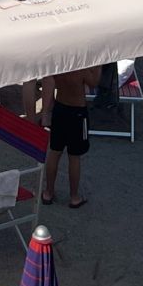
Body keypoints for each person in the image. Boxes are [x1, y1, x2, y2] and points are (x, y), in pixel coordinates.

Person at [42, 66, 100, 209]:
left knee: (54, 152)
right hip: (77, 113)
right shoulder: (81, 66)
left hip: (60, 108)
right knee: (74, 156)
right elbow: (93, 83)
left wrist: (45, 113)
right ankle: (74, 196)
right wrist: (99, 66)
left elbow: (49, 82)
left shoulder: (60, 62)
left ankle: (48, 192)